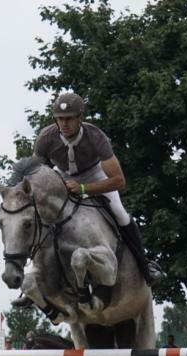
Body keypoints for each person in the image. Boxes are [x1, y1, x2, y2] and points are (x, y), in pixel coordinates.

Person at [33, 92, 164, 286]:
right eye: (60, 119)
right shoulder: (46, 137)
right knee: (41, 215)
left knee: (120, 214)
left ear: (80, 118)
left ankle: (145, 268)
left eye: (69, 118)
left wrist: (84, 188)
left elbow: (119, 181)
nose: (64, 123)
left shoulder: (96, 137)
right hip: (62, 177)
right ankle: (36, 274)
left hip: (95, 176)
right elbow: (34, 172)